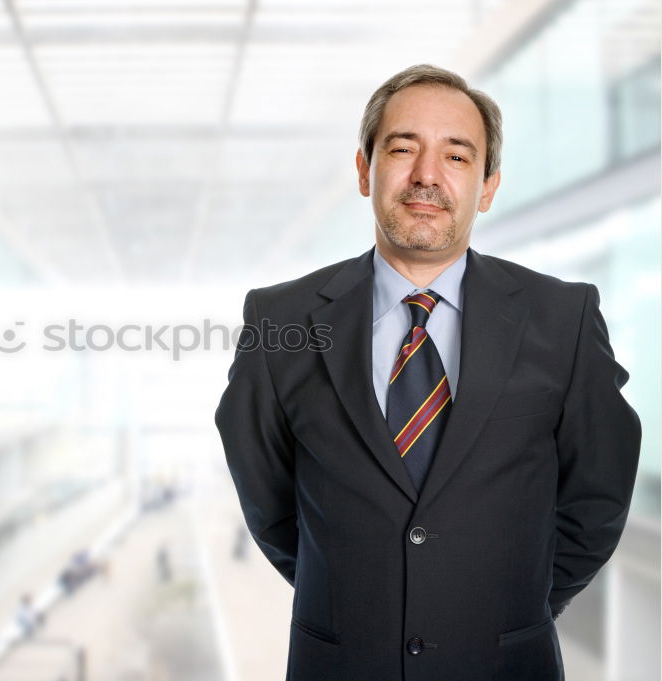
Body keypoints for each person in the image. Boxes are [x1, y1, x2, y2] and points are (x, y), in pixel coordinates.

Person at [214, 64, 641, 681]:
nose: (425, 176)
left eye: (457, 156)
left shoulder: (563, 318)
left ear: (488, 186)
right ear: (365, 170)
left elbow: (597, 496)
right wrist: (354, 592)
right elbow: (269, 500)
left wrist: (515, 605)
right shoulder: (278, 319)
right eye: (402, 148)